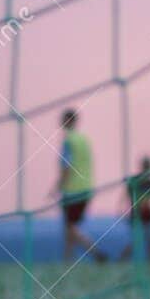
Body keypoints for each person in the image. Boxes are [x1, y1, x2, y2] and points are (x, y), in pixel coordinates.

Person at [52, 108, 104, 262]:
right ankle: (68, 260)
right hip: (86, 187)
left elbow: (67, 166)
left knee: (70, 228)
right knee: (69, 228)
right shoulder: (84, 140)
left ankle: (95, 252)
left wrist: (58, 186)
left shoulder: (69, 141)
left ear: (65, 122)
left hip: (72, 190)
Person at [118, 156, 150, 262]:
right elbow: (125, 198)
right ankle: (122, 259)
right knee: (138, 241)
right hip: (137, 215)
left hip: (148, 215)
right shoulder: (135, 181)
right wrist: (122, 212)